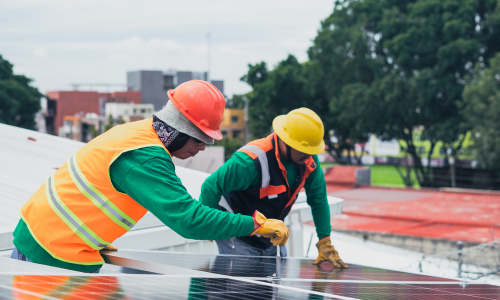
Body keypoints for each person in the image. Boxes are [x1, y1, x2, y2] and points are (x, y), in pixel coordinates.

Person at [10, 80, 288, 273]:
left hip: (47, 238)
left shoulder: (138, 132)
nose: (203, 147)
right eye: (201, 138)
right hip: (51, 253)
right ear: (180, 128)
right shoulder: (145, 157)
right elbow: (189, 221)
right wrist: (254, 224)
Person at [199, 107, 347, 268]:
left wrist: (324, 240)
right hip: (238, 235)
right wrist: (208, 226)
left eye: (311, 151)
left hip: (272, 235)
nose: (309, 156)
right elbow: (211, 186)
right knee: (243, 286)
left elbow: (318, 199)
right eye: (304, 150)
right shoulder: (250, 161)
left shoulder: (308, 161)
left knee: (271, 287)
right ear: (285, 141)